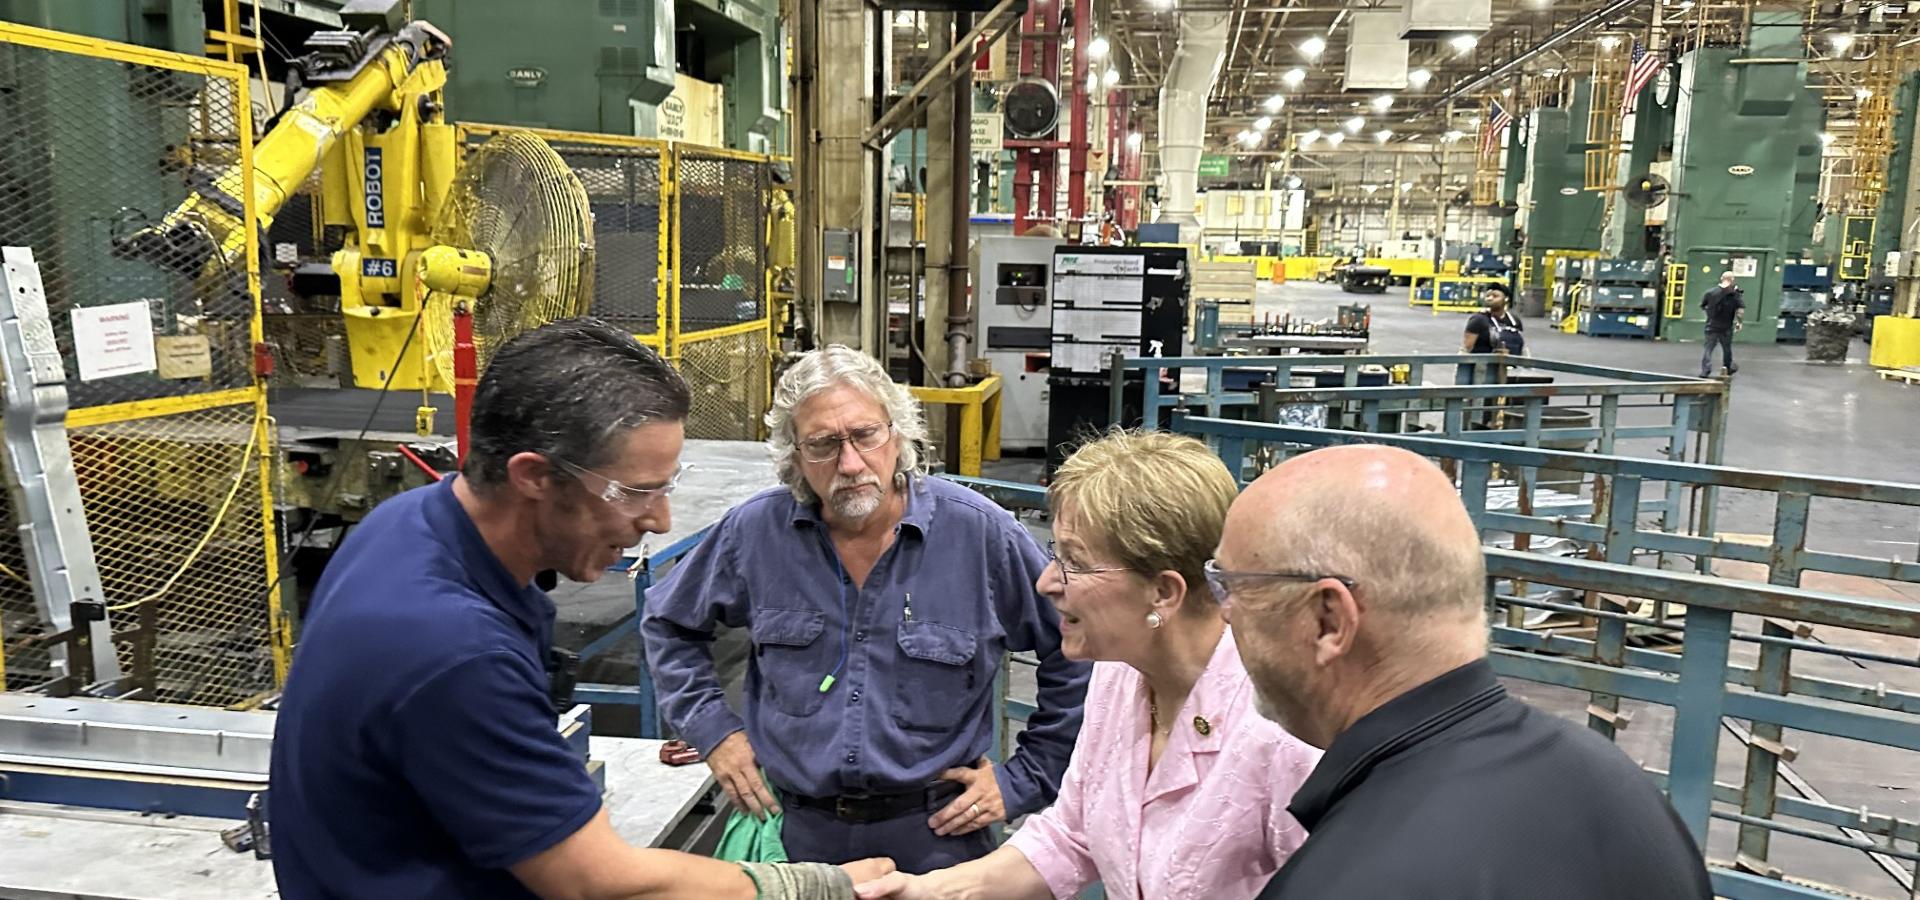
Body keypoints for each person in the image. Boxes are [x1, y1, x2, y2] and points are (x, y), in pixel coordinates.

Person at [270, 318, 891, 900]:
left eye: (666, 485)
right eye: (634, 492)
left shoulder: (409, 522)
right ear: (533, 475)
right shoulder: (450, 650)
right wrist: (812, 887)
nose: (659, 519)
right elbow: (594, 881)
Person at [642, 346, 1091, 874]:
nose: (850, 463)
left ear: (897, 434)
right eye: (824, 444)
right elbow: (668, 622)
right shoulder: (755, 533)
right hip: (795, 841)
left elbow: (1081, 649)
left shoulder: (981, 535)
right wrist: (716, 731)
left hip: (940, 839)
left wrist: (1027, 778)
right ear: (794, 455)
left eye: (865, 435)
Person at [1213, 445, 1713, 899]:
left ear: (1329, 620)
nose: (1226, 611)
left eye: (1234, 586)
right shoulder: (1617, 789)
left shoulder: (1346, 877)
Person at [853, 431, 1321, 900]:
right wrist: (924, 891)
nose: (1046, 581)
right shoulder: (1121, 674)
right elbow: (1071, 834)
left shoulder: (1284, 737)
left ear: (1163, 592)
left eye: (1074, 562)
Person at [1701, 272, 1745, 377]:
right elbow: (1740, 311)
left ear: (1721, 278)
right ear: (1732, 279)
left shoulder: (1710, 293)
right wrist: (1739, 322)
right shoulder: (1735, 295)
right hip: (1726, 327)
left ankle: (1705, 370)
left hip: (1711, 325)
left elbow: (1703, 306)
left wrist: (1710, 315)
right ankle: (1727, 368)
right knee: (1727, 349)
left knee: (1708, 348)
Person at [1463, 284, 1524, 354]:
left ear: (1506, 298)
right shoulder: (1478, 319)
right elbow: (1467, 349)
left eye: (1495, 296)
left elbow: (1521, 347)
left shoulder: (1514, 321)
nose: (1490, 298)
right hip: (1483, 363)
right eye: (1487, 296)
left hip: (1510, 362)